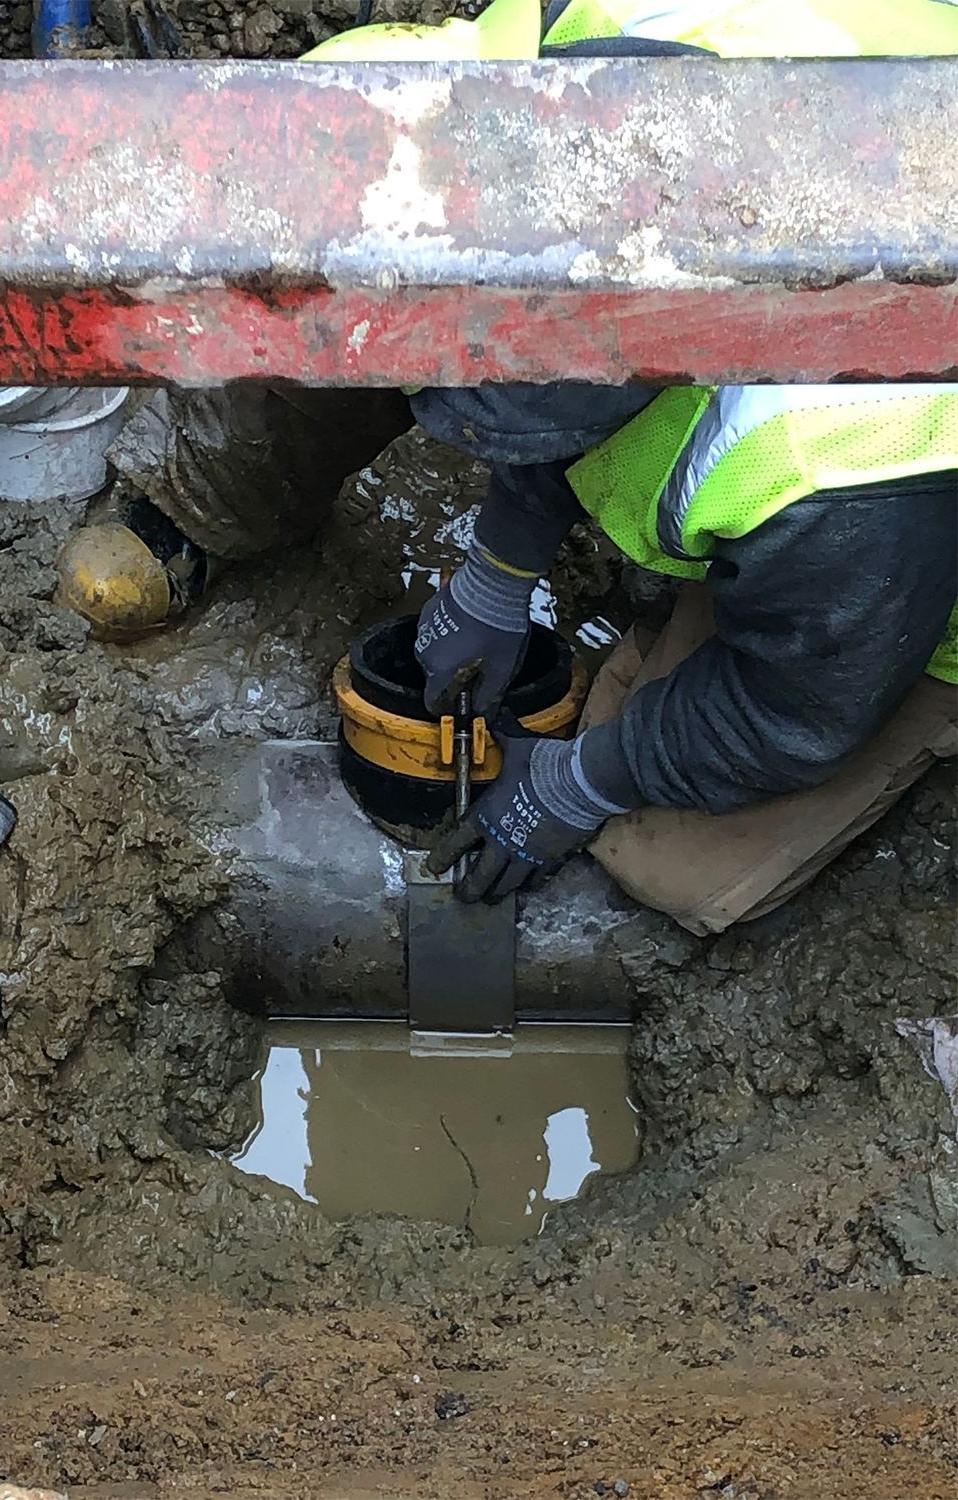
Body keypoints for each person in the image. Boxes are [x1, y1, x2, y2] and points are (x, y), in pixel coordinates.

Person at [309, 0, 958, 933]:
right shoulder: (576, 59)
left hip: (900, 550)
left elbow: (796, 716)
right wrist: (499, 567)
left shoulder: (842, 446)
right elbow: (560, 327)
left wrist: (586, 782)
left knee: (660, 857)